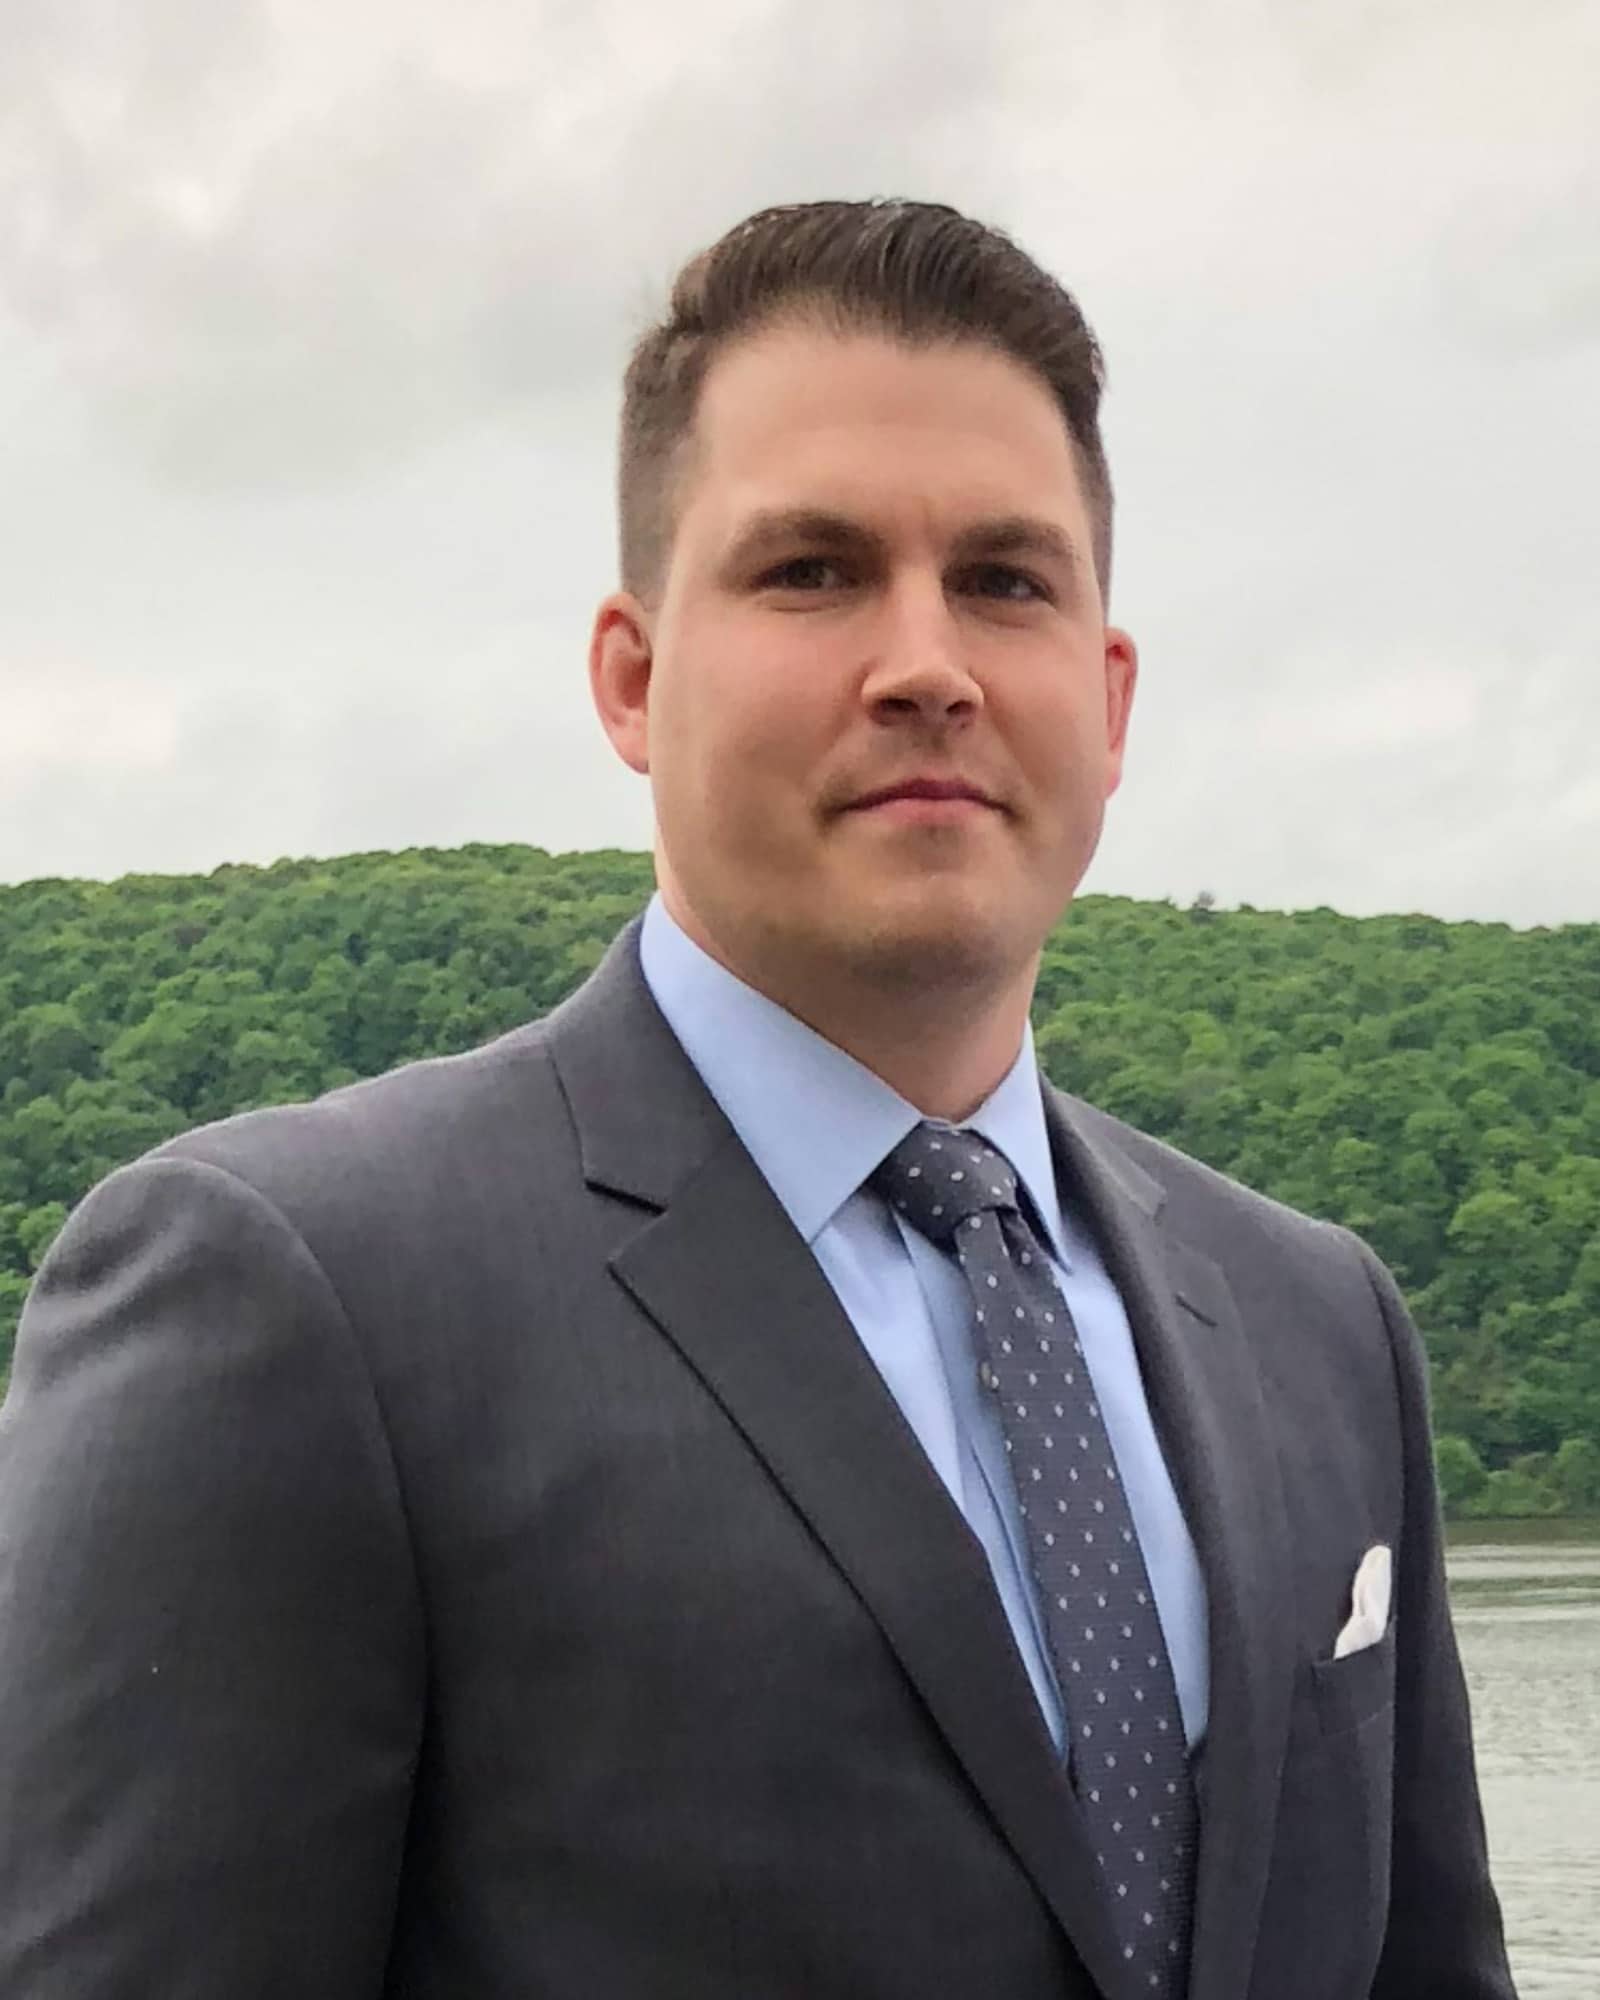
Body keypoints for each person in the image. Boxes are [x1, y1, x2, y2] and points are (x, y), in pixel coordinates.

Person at [0, 197, 1516, 1999]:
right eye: (812, 570)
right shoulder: (296, 1304)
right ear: (634, 680)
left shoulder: (1318, 1322)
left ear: (1108, 702)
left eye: (1007, 581)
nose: (929, 663)